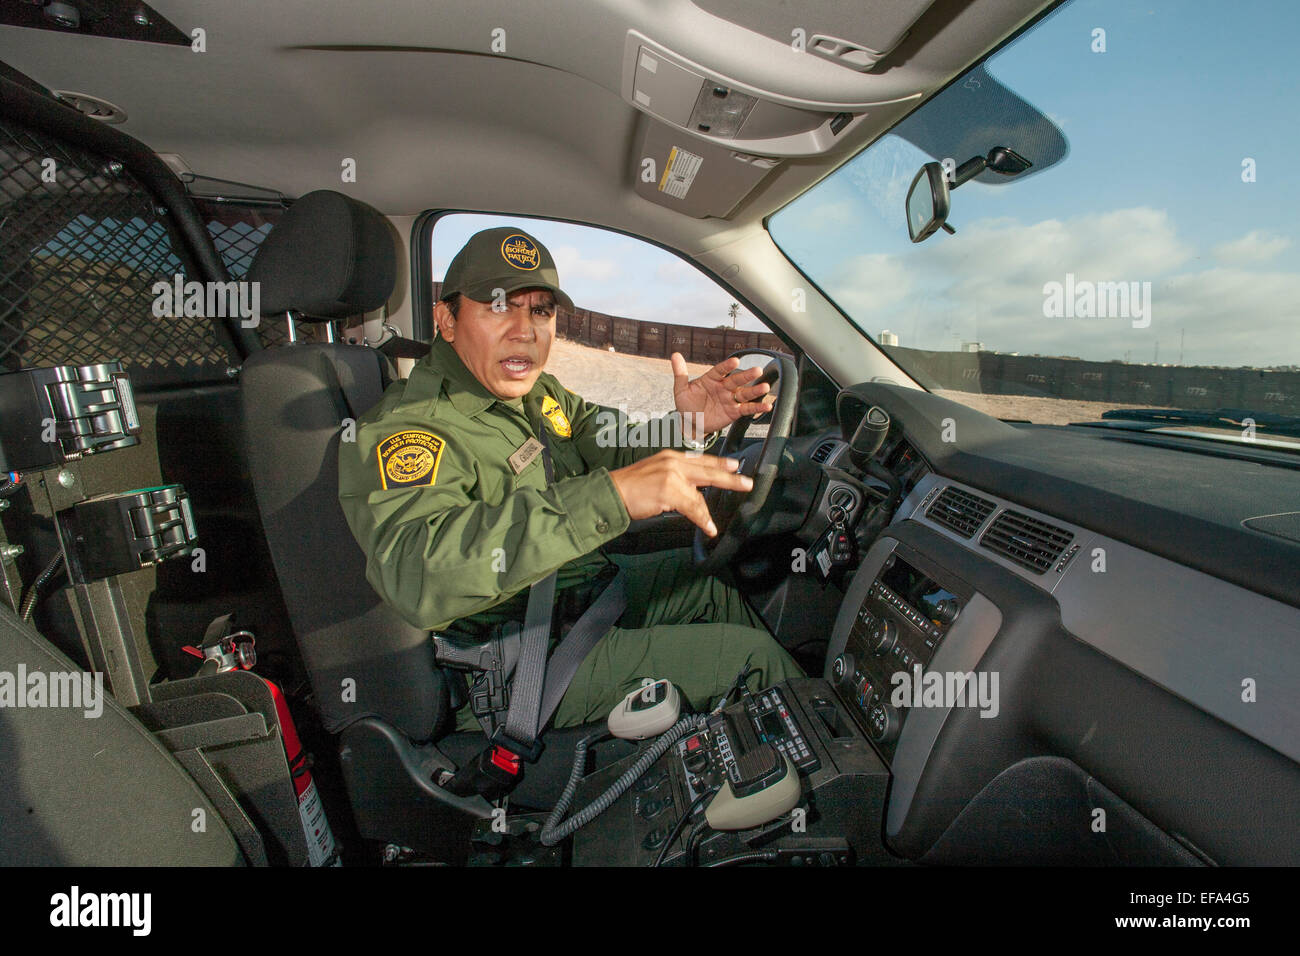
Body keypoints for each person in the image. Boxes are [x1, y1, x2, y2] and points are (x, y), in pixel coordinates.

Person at [337, 226, 802, 737]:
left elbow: (611, 440)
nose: (525, 330)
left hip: (580, 594)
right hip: (520, 656)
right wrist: (611, 496)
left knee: (711, 587)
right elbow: (416, 572)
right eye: (499, 306)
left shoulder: (539, 395)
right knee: (754, 659)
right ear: (447, 320)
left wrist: (689, 424)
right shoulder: (410, 429)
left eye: (540, 310)